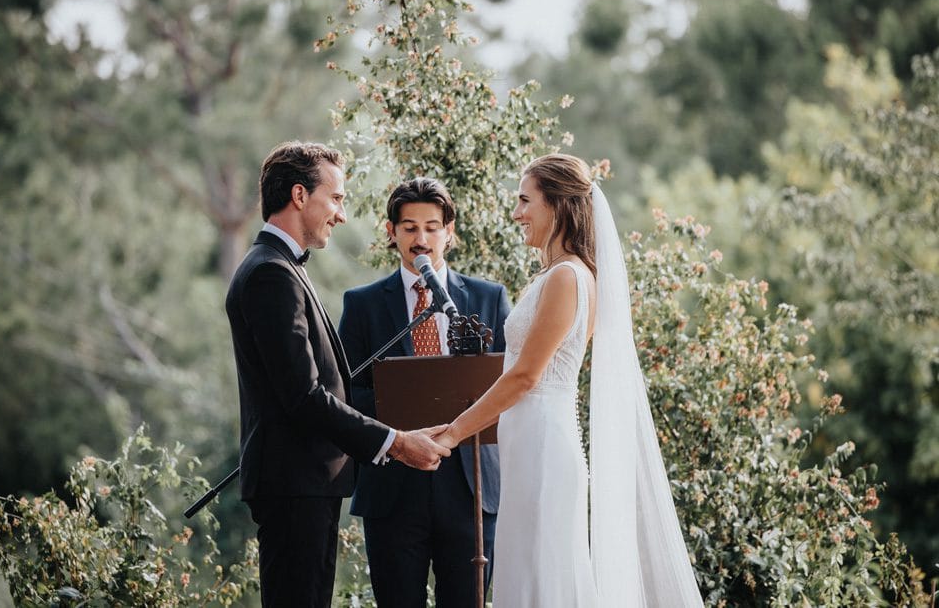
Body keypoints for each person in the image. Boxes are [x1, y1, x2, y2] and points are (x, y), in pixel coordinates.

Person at [433, 154, 704, 606]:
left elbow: (524, 376)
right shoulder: (553, 275)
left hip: (543, 447)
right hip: (527, 446)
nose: (517, 213)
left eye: (525, 201)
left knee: (543, 579)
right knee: (528, 574)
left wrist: (454, 431)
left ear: (556, 205)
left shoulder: (566, 277)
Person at [225, 142, 451, 608]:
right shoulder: (271, 274)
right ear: (300, 196)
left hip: (307, 486)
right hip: (294, 486)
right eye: (337, 198)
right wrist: (397, 442)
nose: (342, 214)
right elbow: (305, 397)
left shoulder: (282, 268)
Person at [338, 178, 511, 608]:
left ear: (449, 232)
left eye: (432, 227)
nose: (422, 239)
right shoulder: (362, 305)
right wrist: (397, 425)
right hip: (392, 489)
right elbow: (344, 392)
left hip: (470, 485)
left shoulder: (489, 298)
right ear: (391, 232)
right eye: (410, 227)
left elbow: (509, 384)